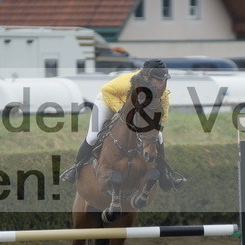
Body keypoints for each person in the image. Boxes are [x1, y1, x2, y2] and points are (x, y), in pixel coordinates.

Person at [60, 58, 185, 190]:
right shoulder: (126, 82)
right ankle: (75, 168)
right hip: (107, 101)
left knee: (158, 135)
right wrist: (122, 110)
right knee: (93, 136)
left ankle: (165, 177)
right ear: (148, 78)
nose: (162, 83)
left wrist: (149, 119)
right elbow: (106, 90)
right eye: (158, 79)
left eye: (164, 79)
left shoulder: (162, 93)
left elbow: (163, 115)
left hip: (134, 110)